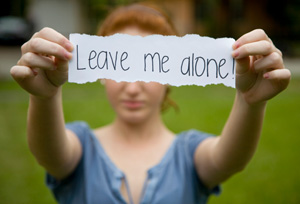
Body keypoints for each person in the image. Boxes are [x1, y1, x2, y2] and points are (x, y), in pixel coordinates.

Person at [10, 3, 291, 204]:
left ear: (171, 77)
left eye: (149, 70)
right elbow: (50, 154)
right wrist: (45, 97)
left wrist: (250, 102)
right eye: (120, 68)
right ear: (100, 74)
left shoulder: (190, 153)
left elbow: (228, 160)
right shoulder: (80, 145)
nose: (133, 88)